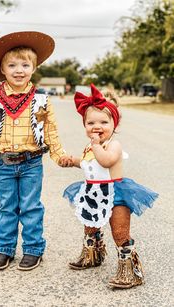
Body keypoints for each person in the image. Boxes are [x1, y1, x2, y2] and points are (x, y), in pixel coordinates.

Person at [0, 31, 72, 271]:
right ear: (2, 69)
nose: (19, 70)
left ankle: (33, 250)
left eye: (25, 64)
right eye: (12, 65)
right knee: (6, 207)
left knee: (31, 206)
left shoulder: (41, 99)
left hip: (31, 163)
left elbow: (50, 131)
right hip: (2, 164)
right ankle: (4, 249)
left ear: (33, 68)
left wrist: (59, 155)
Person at [63, 84, 158, 289]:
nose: (97, 127)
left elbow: (105, 161)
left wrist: (96, 146)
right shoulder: (90, 146)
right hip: (93, 193)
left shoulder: (113, 145)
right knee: (90, 226)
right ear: (85, 125)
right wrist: (73, 160)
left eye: (104, 122)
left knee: (119, 232)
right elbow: (89, 162)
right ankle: (92, 255)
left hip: (116, 194)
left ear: (114, 124)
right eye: (91, 123)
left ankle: (131, 271)